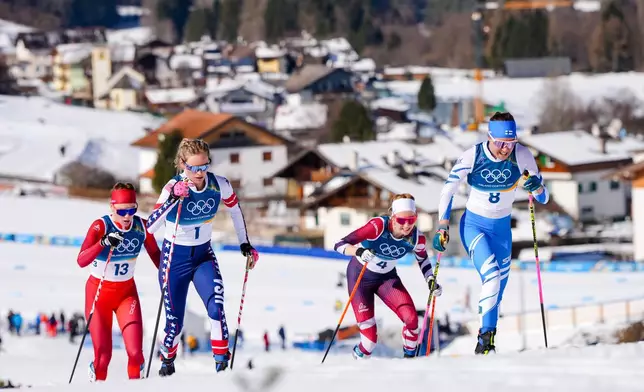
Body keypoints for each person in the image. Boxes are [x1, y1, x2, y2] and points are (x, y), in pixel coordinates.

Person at [433, 112, 549, 355]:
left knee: (497, 290)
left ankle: (489, 345)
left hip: (501, 232)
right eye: (500, 143)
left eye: (510, 143)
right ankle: (483, 340)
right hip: (474, 225)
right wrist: (443, 224)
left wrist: (536, 186)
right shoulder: (473, 155)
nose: (505, 149)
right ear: (489, 137)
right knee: (492, 276)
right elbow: (448, 189)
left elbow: (544, 197)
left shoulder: (522, 155)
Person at [146, 138, 259, 376]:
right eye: (193, 168)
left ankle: (222, 367)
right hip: (174, 259)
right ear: (182, 165)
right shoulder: (171, 187)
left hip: (203, 256)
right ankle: (167, 361)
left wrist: (244, 243)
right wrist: (173, 199)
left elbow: (236, 211)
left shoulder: (219, 185)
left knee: (216, 309)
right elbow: (151, 226)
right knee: (174, 323)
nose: (199, 173)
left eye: (204, 166)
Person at [333, 193, 442, 359]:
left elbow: (423, 260)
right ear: (393, 217)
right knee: (369, 342)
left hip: (386, 279)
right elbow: (339, 245)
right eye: (401, 220)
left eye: (411, 220)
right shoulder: (377, 227)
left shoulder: (416, 238)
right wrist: (359, 251)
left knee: (412, 320)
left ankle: (409, 363)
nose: (406, 226)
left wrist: (430, 280)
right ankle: (356, 360)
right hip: (360, 277)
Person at [76, 182, 161, 381]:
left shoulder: (142, 227)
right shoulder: (101, 226)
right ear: (112, 208)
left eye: (132, 210)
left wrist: (170, 273)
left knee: (135, 354)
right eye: (122, 211)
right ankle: (95, 376)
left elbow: (157, 256)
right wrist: (102, 243)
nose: (127, 216)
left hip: (126, 294)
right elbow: (81, 260)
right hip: (99, 293)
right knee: (103, 357)